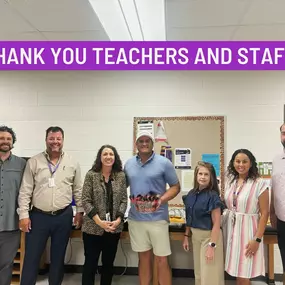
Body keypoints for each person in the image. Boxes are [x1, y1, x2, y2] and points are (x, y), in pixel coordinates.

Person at [17, 126, 84, 285]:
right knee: (32, 257)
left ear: (63, 140)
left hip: (63, 216)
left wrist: (80, 212)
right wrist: (23, 215)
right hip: (38, 217)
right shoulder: (34, 161)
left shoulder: (72, 162)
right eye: (51, 138)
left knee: (58, 257)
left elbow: (78, 189)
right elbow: (25, 190)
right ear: (46, 140)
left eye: (58, 139)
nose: (55, 142)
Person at [124, 130, 181, 285]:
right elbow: (122, 187)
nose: (144, 144)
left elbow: (175, 187)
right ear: (136, 144)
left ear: (152, 143)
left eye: (147, 141)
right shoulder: (128, 164)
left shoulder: (164, 163)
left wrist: (160, 200)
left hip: (158, 220)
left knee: (162, 259)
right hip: (136, 219)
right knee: (143, 259)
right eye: (140, 141)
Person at [81, 144, 128, 285]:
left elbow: (124, 199)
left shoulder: (120, 176)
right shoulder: (91, 175)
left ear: (115, 157)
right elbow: (85, 200)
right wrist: (99, 222)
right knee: (90, 264)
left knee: (108, 264)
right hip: (93, 228)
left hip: (113, 228)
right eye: (105, 154)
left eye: (111, 154)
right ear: (100, 158)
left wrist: (119, 219)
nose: (108, 157)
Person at [222, 149, 269, 285]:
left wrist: (257, 239)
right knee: (238, 272)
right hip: (231, 230)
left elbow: (264, 213)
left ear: (251, 163)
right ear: (233, 163)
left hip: (249, 231)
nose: (240, 164)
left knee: (244, 272)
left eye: (244, 161)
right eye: (237, 161)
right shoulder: (231, 181)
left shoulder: (259, 183)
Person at [182, 161, 225, 285]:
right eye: (200, 173)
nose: (203, 177)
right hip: (196, 237)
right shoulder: (191, 194)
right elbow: (189, 217)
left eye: (206, 174)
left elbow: (216, 223)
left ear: (211, 177)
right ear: (196, 175)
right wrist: (186, 236)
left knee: (210, 276)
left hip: (209, 237)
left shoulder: (213, 196)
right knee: (199, 274)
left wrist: (212, 246)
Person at [0, 125, 26, 285]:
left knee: (6, 265)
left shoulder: (22, 164)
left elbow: (26, 193)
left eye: (8, 138)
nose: (5, 141)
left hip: (11, 225)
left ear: (13, 141)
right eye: (2, 138)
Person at [270, 123, 285, 284]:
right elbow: (274, 187)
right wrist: (272, 211)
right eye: (284, 133)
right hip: (282, 220)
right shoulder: (277, 159)